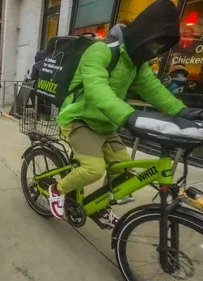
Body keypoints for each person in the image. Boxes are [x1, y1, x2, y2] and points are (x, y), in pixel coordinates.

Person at [47, 0, 189, 228]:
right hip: (80, 120)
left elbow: (155, 91)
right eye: (152, 45)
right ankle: (57, 189)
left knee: (123, 170)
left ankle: (101, 206)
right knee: (93, 169)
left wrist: (185, 112)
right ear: (142, 35)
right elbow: (96, 89)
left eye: (158, 48)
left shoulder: (136, 64)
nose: (153, 52)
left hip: (106, 125)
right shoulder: (101, 50)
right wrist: (130, 116)